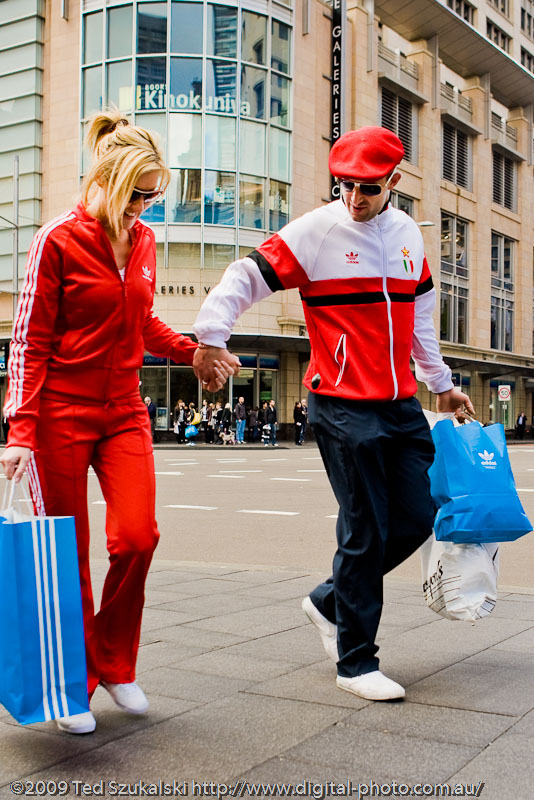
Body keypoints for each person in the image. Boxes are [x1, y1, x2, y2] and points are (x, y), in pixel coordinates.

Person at [192, 126, 474, 702]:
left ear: (393, 182)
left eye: (367, 188)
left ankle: (327, 601)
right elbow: (247, 275)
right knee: (365, 527)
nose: (353, 198)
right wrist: (210, 335)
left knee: (423, 515)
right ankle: (356, 662)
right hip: (342, 405)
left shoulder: (408, 238)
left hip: (400, 405)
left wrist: (441, 385)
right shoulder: (317, 231)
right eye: (344, 186)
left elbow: (421, 324)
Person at [0, 110, 235, 735]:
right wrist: (19, 434)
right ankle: (72, 684)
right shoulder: (57, 239)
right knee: (65, 555)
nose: (144, 207)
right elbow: (28, 344)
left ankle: (113, 660)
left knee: (137, 536)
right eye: (136, 194)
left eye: (153, 196)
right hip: (58, 415)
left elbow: (142, 323)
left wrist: (193, 351)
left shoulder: (146, 240)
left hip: (124, 409)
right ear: (104, 177)